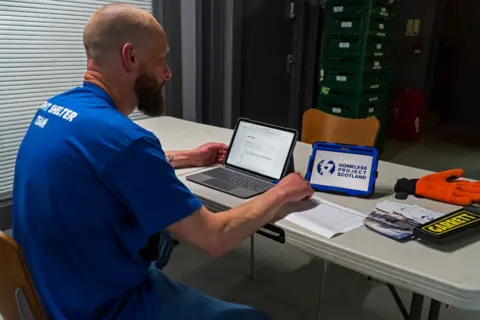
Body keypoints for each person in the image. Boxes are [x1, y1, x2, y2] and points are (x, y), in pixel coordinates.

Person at [12, 3, 314, 320]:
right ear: (130, 57)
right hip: (98, 307)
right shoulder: (127, 141)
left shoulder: (56, 108)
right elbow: (214, 237)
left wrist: (189, 157)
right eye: (162, 60)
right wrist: (282, 191)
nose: (167, 72)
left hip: (48, 287)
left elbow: (102, 164)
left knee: (163, 237)